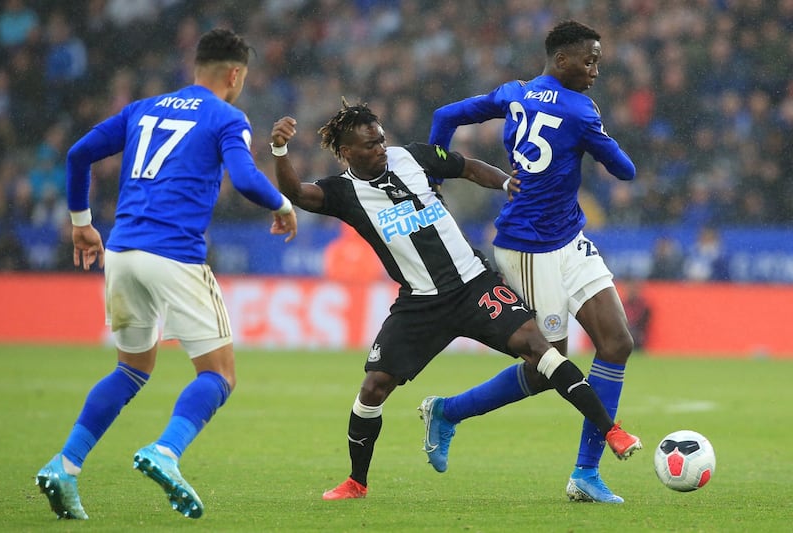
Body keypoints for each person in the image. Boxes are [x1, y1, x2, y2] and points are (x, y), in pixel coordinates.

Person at [270, 100, 640, 501]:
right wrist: (279, 150)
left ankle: (612, 431)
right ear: (346, 153)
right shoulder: (342, 193)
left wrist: (503, 183)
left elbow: (465, 166)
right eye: (369, 145)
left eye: (380, 139)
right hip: (420, 304)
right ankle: (356, 482)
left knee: (540, 349)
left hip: (474, 286)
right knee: (374, 389)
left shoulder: (411, 157)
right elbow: (294, 191)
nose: (380, 149)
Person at [35, 28, 297, 520]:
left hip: (122, 252)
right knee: (219, 374)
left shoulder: (143, 108)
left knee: (131, 368)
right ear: (235, 74)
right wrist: (283, 204)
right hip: (175, 255)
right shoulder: (227, 116)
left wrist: (81, 225)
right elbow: (243, 179)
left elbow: (77, 155)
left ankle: (65, 466)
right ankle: (166, 451)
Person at [426, 20, 638, 503]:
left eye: (599, 61)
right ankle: (447, 411)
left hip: (567, 236)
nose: (596, 70)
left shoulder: (513, 92)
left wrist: (435, 174)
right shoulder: (581, 111)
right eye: (589, 60)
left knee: (617, 342)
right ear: (561, 60)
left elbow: (445, 116)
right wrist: (596, 133)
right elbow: (625, 171)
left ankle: (586, 474)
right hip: (527, 246)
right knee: (550, 362)